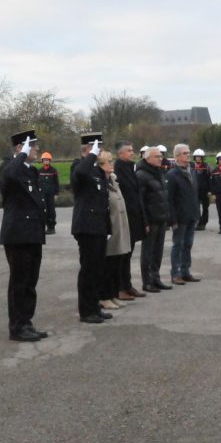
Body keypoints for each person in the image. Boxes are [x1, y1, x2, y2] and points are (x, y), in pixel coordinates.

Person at [0, 129, 49, 342]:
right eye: (32, 146)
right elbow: (10, 175)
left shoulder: (30, 170)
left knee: (30, 281)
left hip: (33, 234)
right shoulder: (8, 167)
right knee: (19, 282)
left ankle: (26, 322)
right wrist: (21, 154)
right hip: (17, 235)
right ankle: (17, 327)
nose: (36, 149)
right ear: (21, 147)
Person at [72, 134, 111, 323]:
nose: (99, 150)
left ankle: (95, 306)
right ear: (86, 149)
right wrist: (91, 156)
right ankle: (86, 311)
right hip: (86, 226)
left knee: (98, 269)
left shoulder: (97, 170)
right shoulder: (79, 166)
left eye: (100, 146)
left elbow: (103, 201)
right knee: (88, 269)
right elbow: (80, 174)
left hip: (99, 226)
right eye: (96, 146)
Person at [113, 141, 146, 301]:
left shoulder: (130, 167)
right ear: (120, 154)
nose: (132, 153)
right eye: (129, 150)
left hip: (133, 216)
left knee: (129, 253)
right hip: (123, 217)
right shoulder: (117, 169)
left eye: (132, 150)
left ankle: (127, 285)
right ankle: (120, 288)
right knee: (122, 255)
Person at [99, 150, 131, 310]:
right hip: (110, 230)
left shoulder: (113, 180)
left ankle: (113, 294)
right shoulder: (101, 183)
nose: (112, 164)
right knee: (108, 266)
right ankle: (104, 296)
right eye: (108, 162)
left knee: (116, 264)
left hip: (120, 229)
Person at [137, 144, 171, 291]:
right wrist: (144, 221)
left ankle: (156, 278)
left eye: (161, 156)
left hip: (161, 218)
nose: (161, 158)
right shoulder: (141, 175)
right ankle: (147, 281)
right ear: (148, 158)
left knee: (158, 251)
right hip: (150, 220)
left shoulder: (158, 172)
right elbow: (140, 201)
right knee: (148, 251)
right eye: (157, 156)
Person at [166, 143, 201, 285]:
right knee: (178, 245)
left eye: (188, 152)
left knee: (188, 245)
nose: (189, 155)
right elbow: (169, 200)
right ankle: (175, 273)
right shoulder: (172, 175)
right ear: (177, 156)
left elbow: (194, 194)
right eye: (185, 153)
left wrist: (197, 214)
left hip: (191, 215)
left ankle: (186, 271)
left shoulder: (191, 172)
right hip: (179, 218)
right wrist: (172, 220)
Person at [36, 152, 60, 235]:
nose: (46, 161)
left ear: (50, 161)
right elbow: (37, 183)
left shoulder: (53, 171)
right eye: (45, 160)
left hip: (51, 194)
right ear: (42, 161)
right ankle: (44, 226)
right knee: (43, 210)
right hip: (42, 194)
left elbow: (56, 183)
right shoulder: (39, 171)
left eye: (47, 160)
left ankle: (51, 227)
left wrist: (56, 194)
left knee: (51, 211)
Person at [192, 149, 211, 230]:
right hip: (195, 190)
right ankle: (198, 222)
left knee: (205, 207)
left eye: (200, 157)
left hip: (205, 190)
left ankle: (203, 223)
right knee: (196, 207)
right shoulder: (192, 166)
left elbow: (211, 179)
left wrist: (210, 190)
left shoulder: (207, 166)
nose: (198, 158)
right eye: (197, 157)